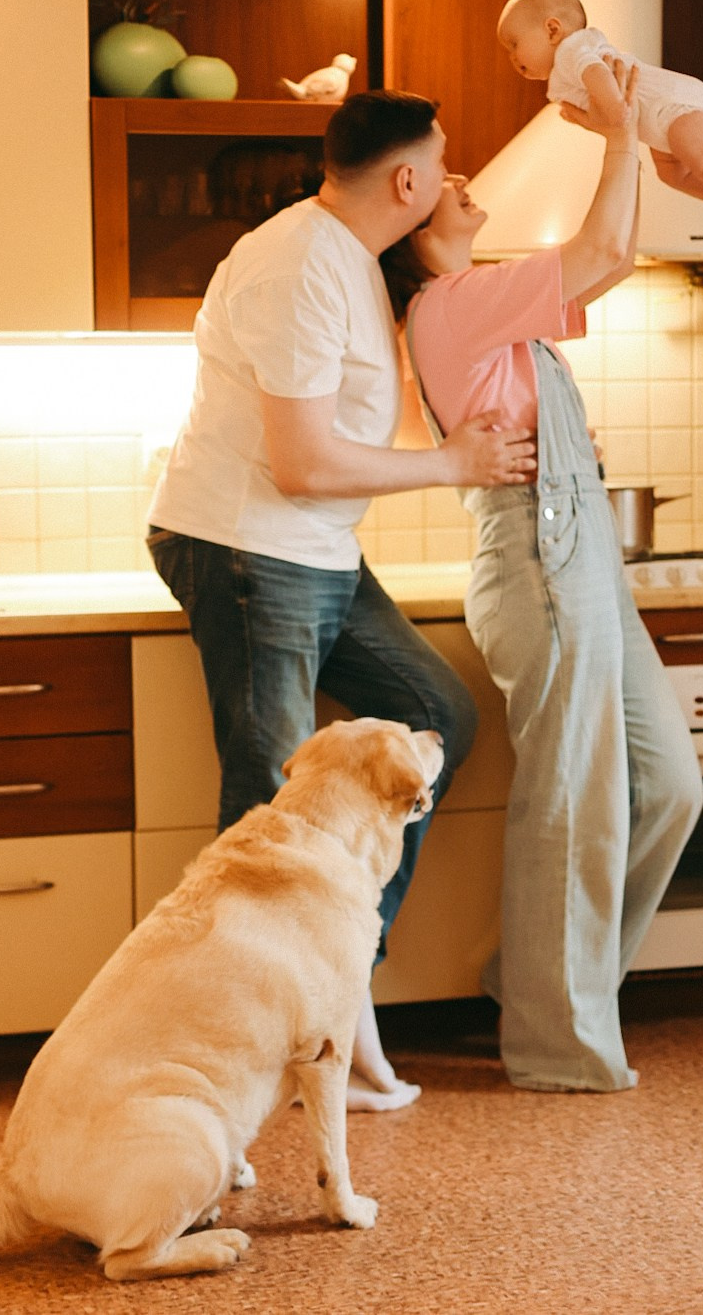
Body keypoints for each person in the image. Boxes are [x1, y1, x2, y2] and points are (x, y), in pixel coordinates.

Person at [147, 90, 537, 1112]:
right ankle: (248, 1057)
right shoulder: (297, 265)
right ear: (405, 178)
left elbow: (453, 314)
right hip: (249, 549)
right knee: (266, 807)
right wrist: (454, 463)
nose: (455, 178)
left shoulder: (358, 255)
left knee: (434, 717)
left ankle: (338, 984)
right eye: (442, 163)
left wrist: (453, 241)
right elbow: (304, 462)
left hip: (313, 550)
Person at [379, 60, 703, 1093]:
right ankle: (555, 1039)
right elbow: (603, 250)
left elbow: (605, 264)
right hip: (538, 560)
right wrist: (620, 131)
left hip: (582, 557)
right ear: (409, 226)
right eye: (444, 178)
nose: (460, 180)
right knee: (574, 802)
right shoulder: (451, 303)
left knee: (666, 787)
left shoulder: (490, 304)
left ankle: (539, 981)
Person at [497, 0, 703, 240]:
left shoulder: (570, 50)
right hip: (662, 121)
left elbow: (596, 71)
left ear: (552, 30)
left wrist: (615, 107)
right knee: (672, 174)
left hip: (676, 104)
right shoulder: (566, 63)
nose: (512, 57)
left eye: (514, 44)